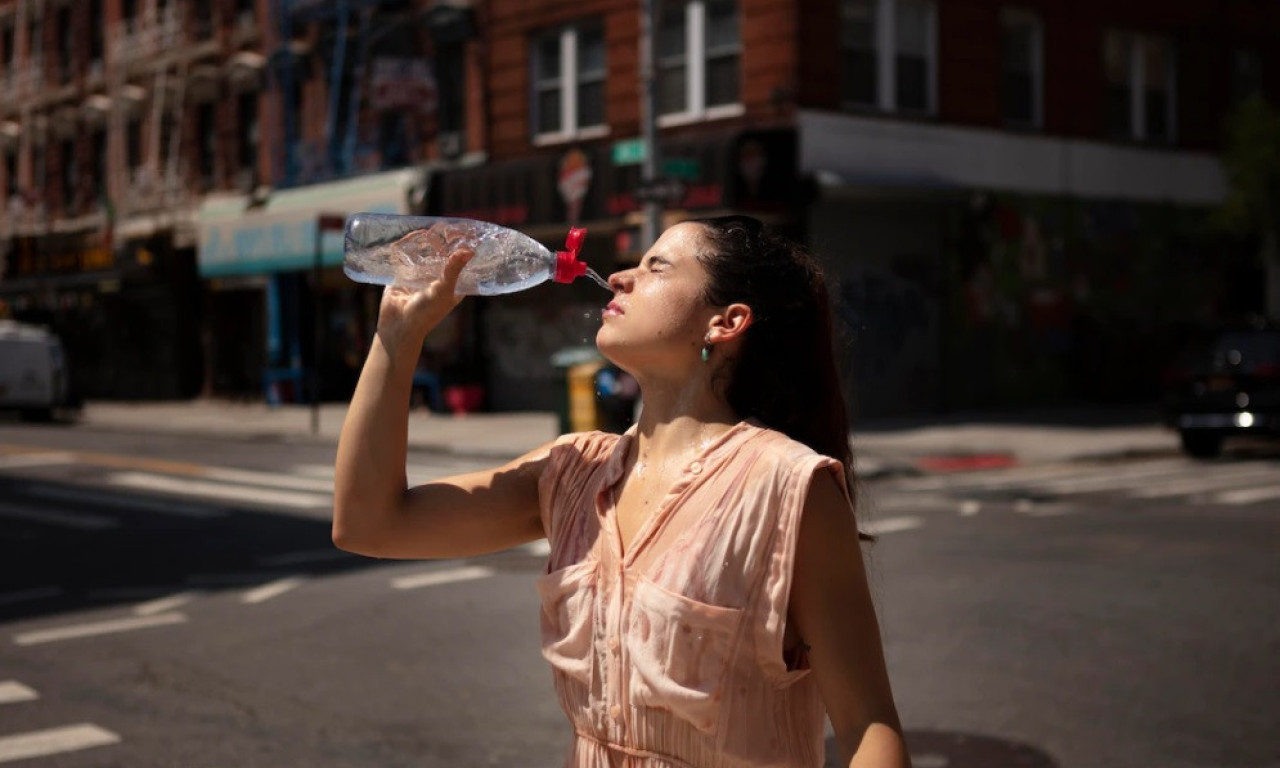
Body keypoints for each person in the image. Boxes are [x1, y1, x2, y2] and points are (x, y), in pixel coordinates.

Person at [333, 215, 910, 768]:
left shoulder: (788, 488)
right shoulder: (569, 473)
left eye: (656, 267)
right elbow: (369, 523)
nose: (618, 276)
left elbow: (867, 725)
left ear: (725, 323)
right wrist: (397, 334)